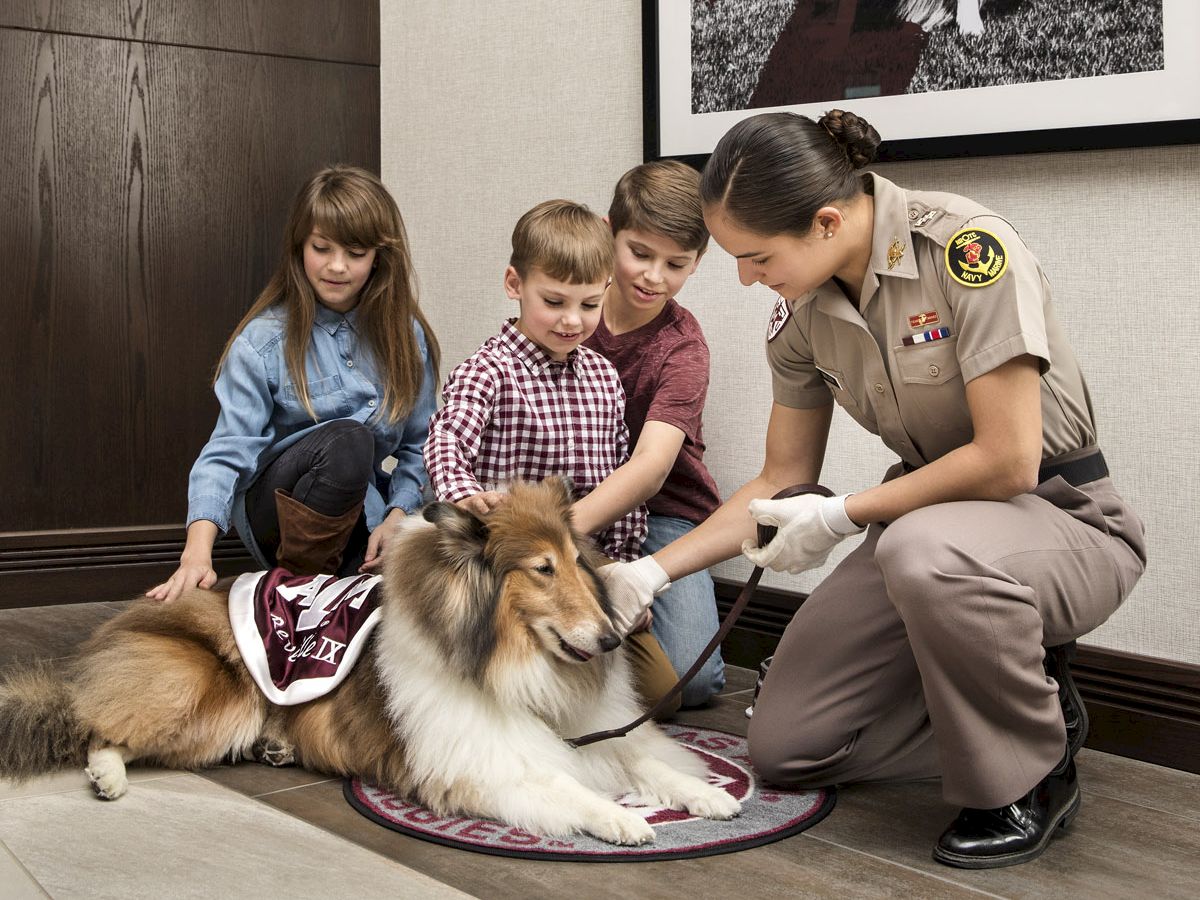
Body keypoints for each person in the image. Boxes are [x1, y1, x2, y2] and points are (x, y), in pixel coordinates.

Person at [600, 110, 1146, 868]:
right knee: (789, 745)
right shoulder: (801, 315)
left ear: (826, 221)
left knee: (924, 550)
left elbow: (1008, 460)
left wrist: (843, 514)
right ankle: (1034, 707)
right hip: (927, 533)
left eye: (755, 256)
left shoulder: (965, 249)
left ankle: (1027, 778)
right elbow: (779, 478)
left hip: (1062, 519)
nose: (745, 278)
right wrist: (651, 571)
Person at [423, 199, 679, 710]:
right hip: (504, 571)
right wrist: (465, 495)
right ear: (515, 285)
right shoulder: (488, 371)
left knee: (663, 695)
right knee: (496, 688)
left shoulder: (603, 378)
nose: (571, 321)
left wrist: (624, 573)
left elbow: (619, 481)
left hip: (583, 569)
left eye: (588, 305)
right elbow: (447, 439)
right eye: (554, 302)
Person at [147, 165, 440, 602]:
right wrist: (195, 554)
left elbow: (422, 445)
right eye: (322, 248)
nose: (337, 267)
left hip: (368, 514)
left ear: (378, 256)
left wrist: (397, 514)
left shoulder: (406, 336)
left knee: (417, 590)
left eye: (355, 253)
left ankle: (342, 588)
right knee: (350, 441)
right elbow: (227, 452)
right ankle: (300, 595)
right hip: (275, 515)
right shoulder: (262, 343)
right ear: (300, 246)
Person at [576, 160, 726, 707]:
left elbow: (650, 468)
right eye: (639, 253)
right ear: (607, 230)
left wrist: (562, 533)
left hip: (665, 512)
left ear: (698, 263)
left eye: (675, 264)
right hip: (573, 493)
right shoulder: (571, 314)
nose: (653, 277)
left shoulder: (683, 347)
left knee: (695, 679)